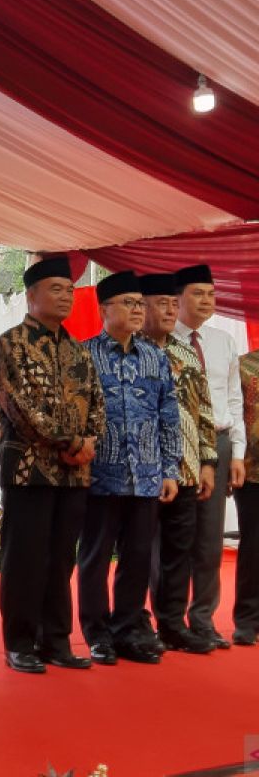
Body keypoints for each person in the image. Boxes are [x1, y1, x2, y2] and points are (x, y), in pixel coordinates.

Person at [0, 256, 104, 674]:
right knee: (24, 558)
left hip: (75, 473)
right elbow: (17, 406)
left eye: (70, 290)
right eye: (56, 289)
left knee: (60, 559)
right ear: (32, 294)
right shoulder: (11, 343)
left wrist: (89, 440)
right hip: (29, 470)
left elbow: (97, 405)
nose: (66, 297)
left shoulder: (78, 349)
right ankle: (20, 642)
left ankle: (55, 640)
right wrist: (70, 440)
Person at [78, 271, 179, 666]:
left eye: (140, 303)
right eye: (129, 303)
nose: (138, 310)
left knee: (137, 558)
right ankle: (97, 633)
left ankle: (129, 631)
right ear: (104, 308)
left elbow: (167, 416)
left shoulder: (155, 356)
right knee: (95, 558)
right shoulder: (85, 355)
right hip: (100, 475)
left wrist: (169, 469)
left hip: (147, 475)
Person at [138, 272, 217, 655]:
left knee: (178, 552)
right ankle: (135, 624)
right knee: (137, 551)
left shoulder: (186, 354)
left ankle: (173, 623)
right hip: (140, 472)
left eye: (173, 304)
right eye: (162, 304)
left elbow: (204, 412)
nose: (170, 311)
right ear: (143, 307)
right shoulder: (130, 350)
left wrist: (207, 463)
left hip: (186, 469)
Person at [172, 264, 245, 649]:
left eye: (212, 294)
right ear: (178, 298)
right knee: (172, 537)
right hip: (178, 445)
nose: (207, 301)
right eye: (198, 293)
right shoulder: (165, 341)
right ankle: (170, 621)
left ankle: (202, 619)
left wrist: (238, 451)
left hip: (218, 442)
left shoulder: (222, 342)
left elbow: (234, 397)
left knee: (209, 540)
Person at [234, 347, 259, 646]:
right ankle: (247, 619)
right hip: (252, 469)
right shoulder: (244, 365)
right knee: (254, 544)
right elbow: (233, 414)